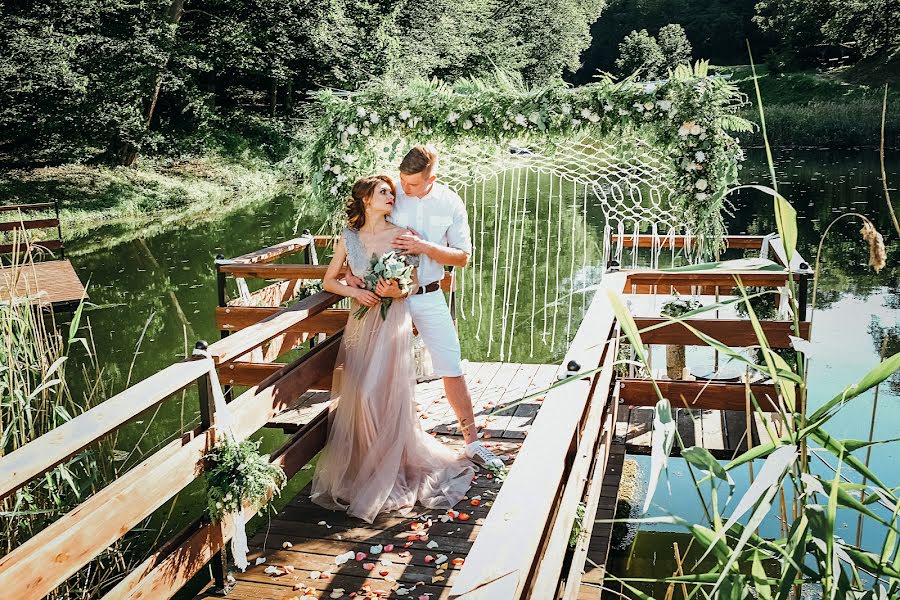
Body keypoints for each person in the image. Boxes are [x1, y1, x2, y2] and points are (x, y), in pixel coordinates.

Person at [310, 174, 474, 523]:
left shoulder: (402, 235)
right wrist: (355, 291)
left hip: (391, 321)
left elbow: (411, 283)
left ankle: (390, 466)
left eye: (391, 191)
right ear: (366, 200)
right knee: (360, 394)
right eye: (384, 192)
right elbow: (329, 280)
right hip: (361, 322)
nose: (391, 196)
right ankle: (366, 468)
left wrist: (392, 291)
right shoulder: (349, 236)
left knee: (380, 392)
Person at [344, 145, 503, 469]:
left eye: (413, 184)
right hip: (386, 300)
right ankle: (379, 447)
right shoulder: (390, 192)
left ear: (433, 178)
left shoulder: (450, 203)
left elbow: (462, 257)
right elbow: (361, 231)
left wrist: (423, 247)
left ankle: (472, 443)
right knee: (377, 373)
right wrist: (352, 273)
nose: (405, 189)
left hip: (428, 295)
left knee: (451, 364)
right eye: (403, 180)